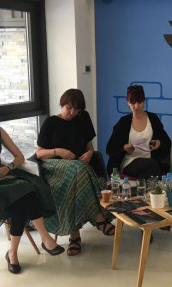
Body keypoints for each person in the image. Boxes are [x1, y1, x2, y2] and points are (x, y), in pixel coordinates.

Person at [0, 96, 64, 274]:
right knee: (23, 194)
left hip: (0, 177)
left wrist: (8, 167)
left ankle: (13, 252)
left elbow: (19, 157)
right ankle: (43, 239)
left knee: (27, 189)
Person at [36, 89, 115, 256]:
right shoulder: (50, 123)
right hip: (55, 168)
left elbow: (89, 146)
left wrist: (90, 153)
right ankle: (99, 219)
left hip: (79, 170)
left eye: (76, 109)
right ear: (62, 104)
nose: (72, 112)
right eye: (68, 108)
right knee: (78, 169)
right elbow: (39, 153)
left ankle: (75, 237)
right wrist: (58, 151)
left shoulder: (83, 118)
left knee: (77, 173)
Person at [106, 85, 172, 178]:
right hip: (130, 162)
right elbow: (110, 148)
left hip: (151, 160)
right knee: (151, 165)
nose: (136, 106)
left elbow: (167, 141)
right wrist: (123, 148)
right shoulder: (124, 122)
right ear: (128, 103)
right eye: (133, 103)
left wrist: (158, 143)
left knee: (144, 174)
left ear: (144, 101)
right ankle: (156, 186)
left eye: (139, 102)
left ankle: (143, 186)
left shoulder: (153, 119)